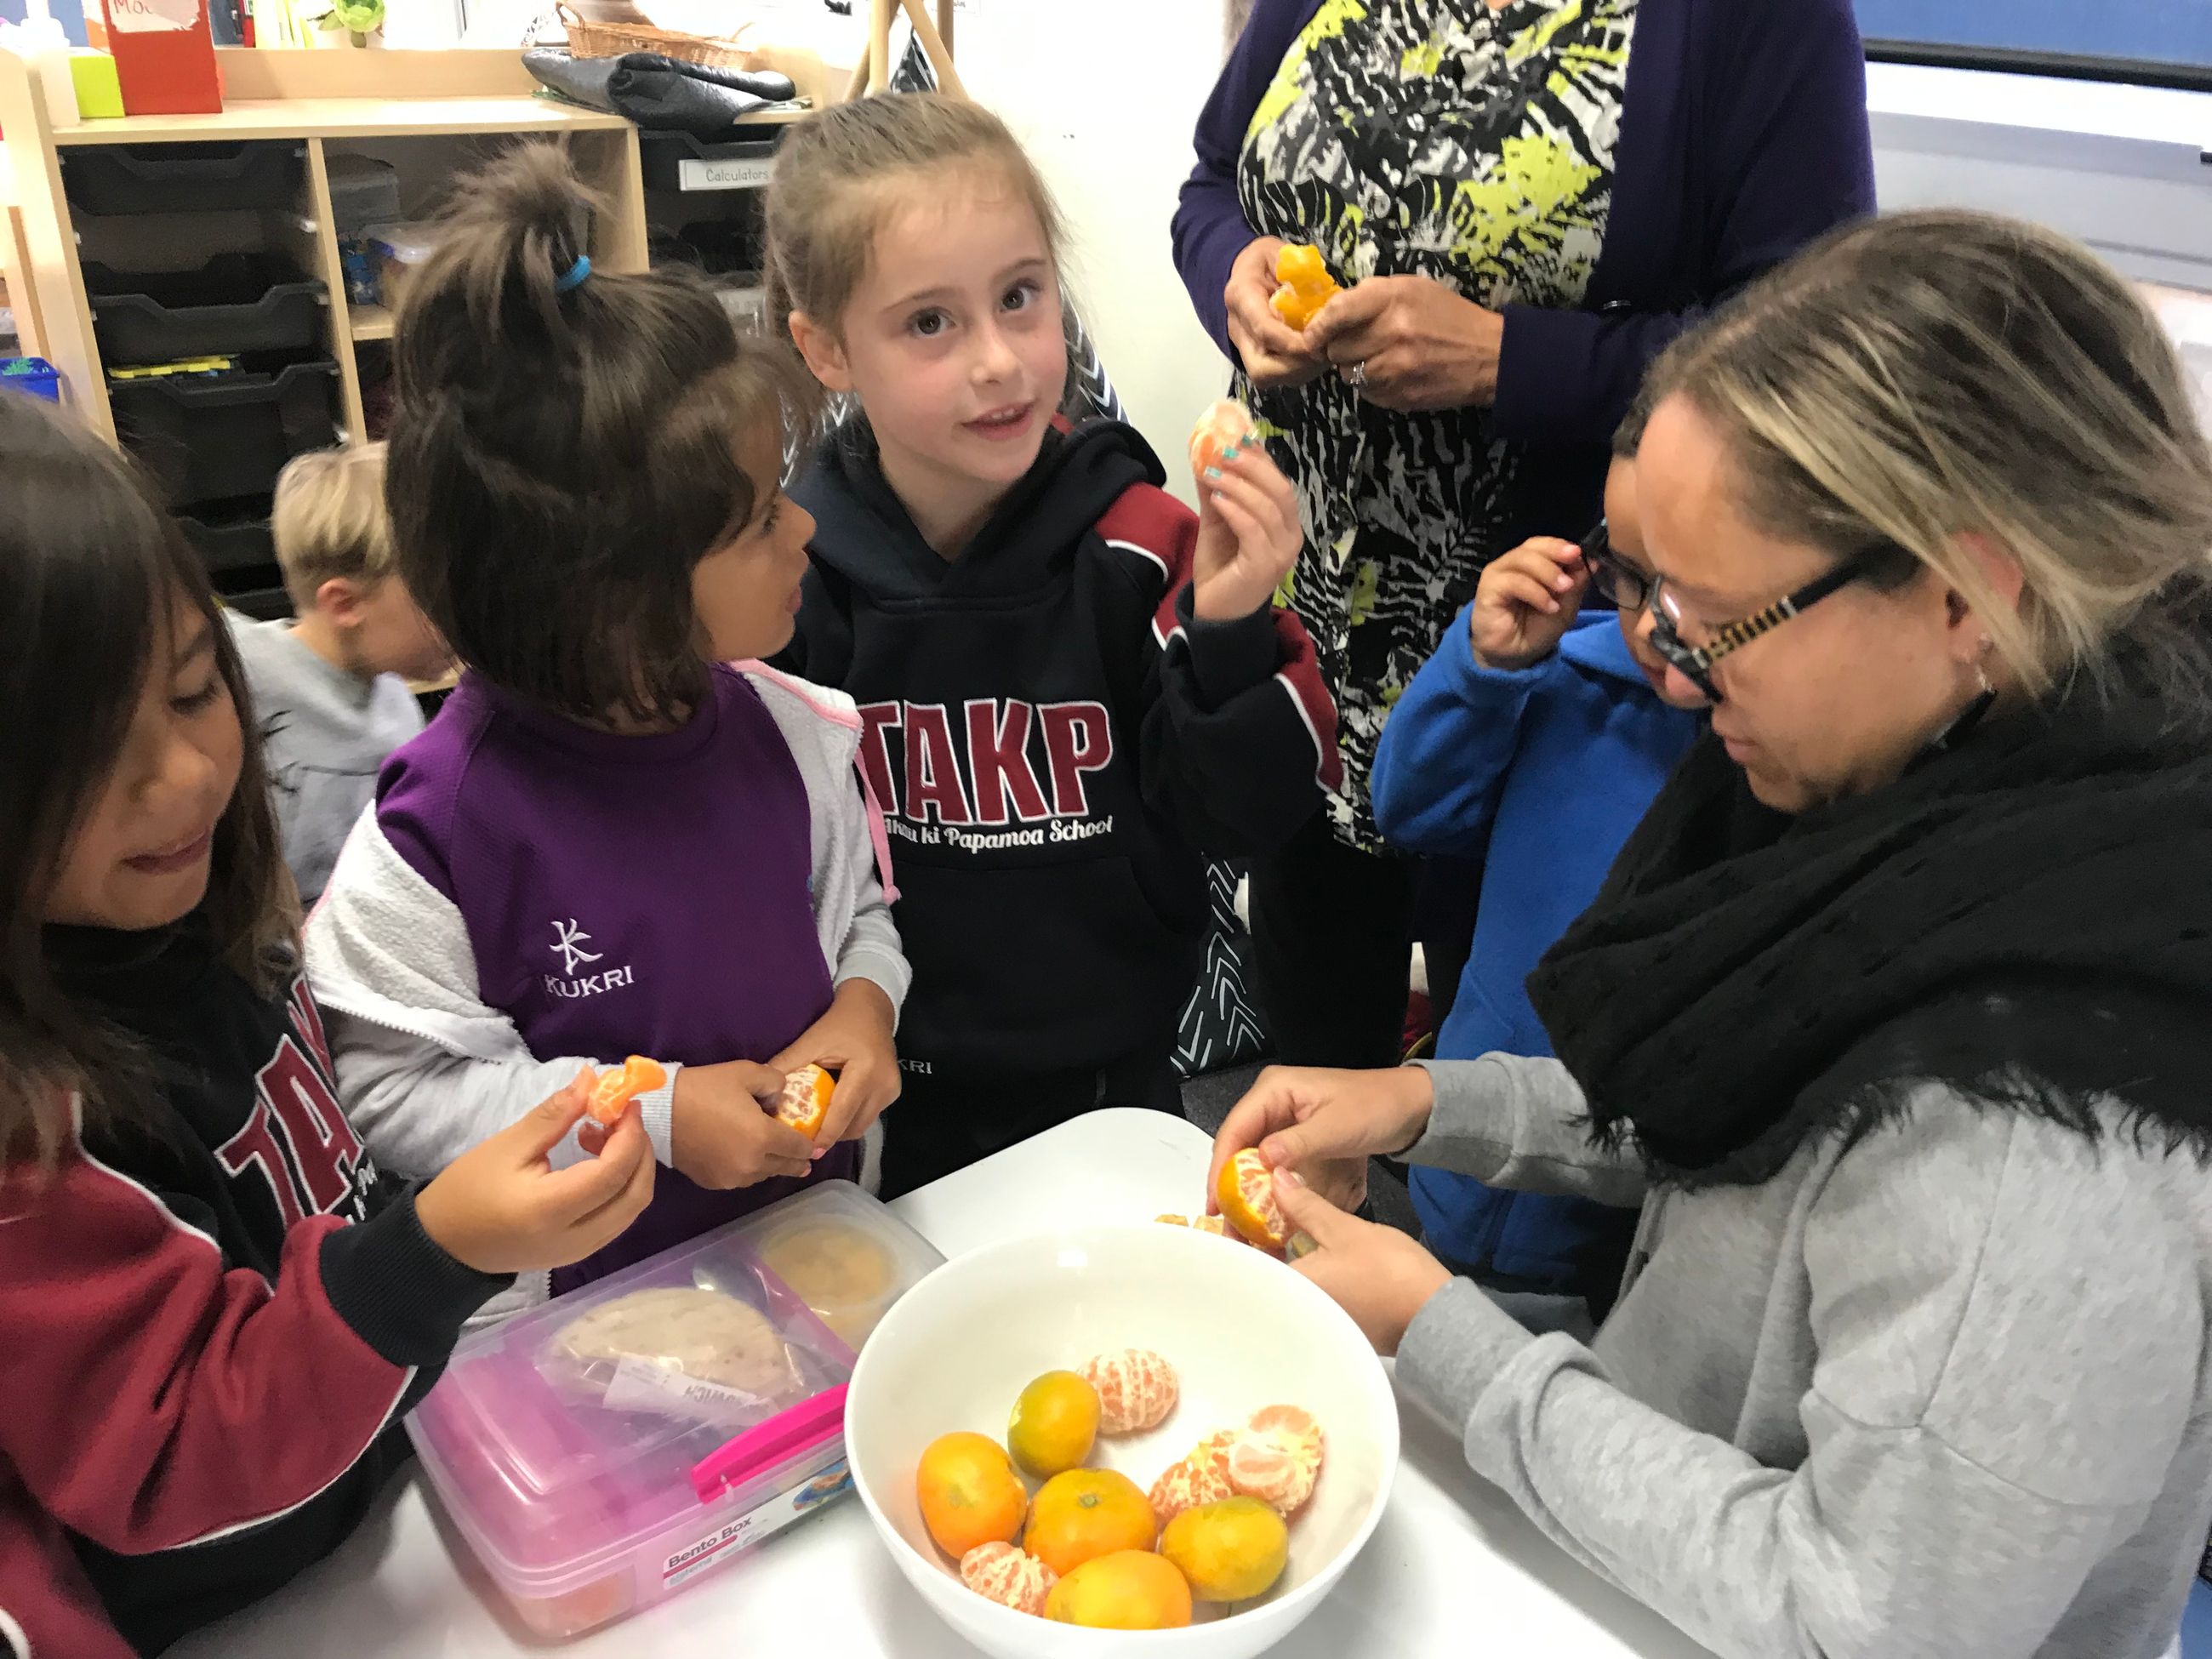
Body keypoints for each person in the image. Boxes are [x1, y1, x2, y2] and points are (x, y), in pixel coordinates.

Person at [1210, 210, 2212, 1659]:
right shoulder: (1905, 796)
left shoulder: (2037, 1158)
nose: (1666, 668)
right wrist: (1433, 1103)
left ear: (1969, 592)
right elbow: (1738, 1126)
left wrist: (1445, 1335)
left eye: (1713, 619)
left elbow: (1851, 1622)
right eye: (1643, 592)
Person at [0, 394, 656, 1659]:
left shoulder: (221, 914)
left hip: (390, 1496)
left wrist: (444, 1232)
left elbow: (325, 1177)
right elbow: (174, 1457)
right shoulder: (34, 1148)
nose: (187, 776)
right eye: (83, 754)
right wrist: (436, 1254)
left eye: (196, 691)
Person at [1172, 0, 1878, 1075]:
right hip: (1307, 628)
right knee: (1309, 1063)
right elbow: (1211, 184)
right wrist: (1234, 274)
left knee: (1510, 1067)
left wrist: (1514, 360)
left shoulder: (1749, 23)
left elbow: (1808, 342)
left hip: (1541, 650)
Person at [305, 146, 909, 1298]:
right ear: (609, 597)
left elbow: (861, 916)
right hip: (583, 1332)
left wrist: (864, 1006)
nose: (804, 530)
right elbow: (391, 1091)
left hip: (813, 1260)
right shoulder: (440, 831)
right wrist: (656, 1113)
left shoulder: (795, 736)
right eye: (755, 523)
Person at [763, 93, 1337, 1197]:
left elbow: (1249, 818)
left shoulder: (1144, 545)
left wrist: (1227, 630)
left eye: (1020, 297)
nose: (999, 360)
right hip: (882, 1093)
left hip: (1113, 1078)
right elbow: (768, 858)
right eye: (929, 323)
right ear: (826, 348)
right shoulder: (797, 576)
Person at [1368, 396, 1702, 1321]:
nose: (1651, 626)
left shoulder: (1773, 763)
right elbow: (1410, 806)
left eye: (1690, 589)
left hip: (1620, 1241)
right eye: (1627, 577)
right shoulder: (1567, 673)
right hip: (1458, 1147)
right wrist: (1482, 671)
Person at [223, 442, 450, 906]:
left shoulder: (398, 708)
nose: (459, 620)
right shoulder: (242, 685)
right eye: (435, 600)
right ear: (344, 604)